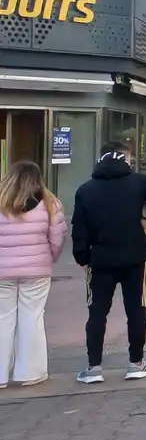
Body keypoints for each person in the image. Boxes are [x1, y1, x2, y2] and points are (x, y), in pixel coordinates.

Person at [71, 142, 146, 384]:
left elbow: (79, 229)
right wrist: (145, 216)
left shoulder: (86, 190)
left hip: (100, 260)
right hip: (136, 257)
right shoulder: (139, 182)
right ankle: (136, 364)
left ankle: (93, 368)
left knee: (97, 312)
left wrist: (82, 258)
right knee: (136, 310)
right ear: (126, 159)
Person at [0, 161, 67, 386]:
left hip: (1, 273)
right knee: (32, 318)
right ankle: (30, 373)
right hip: (37, 271)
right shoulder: (50, 204)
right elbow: (58, 239)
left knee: (2, 320)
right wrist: (49, 258)